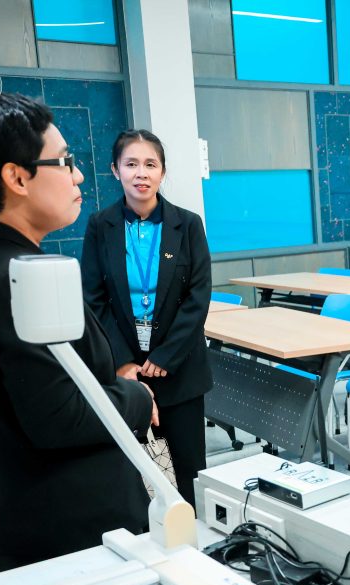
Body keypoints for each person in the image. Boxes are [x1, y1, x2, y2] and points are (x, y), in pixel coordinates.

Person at [0, 93, 158, 580]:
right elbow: (58, 417)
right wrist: (137, 397)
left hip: (30, 516)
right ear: (17, 178)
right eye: (65, 161)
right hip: (60, 539)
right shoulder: (18, 279)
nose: (78, 176)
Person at [81, 130, 212, 507]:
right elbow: (93, 299)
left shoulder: (187, 224)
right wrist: (123, 362)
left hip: (180, 368)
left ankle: (195, 536)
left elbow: (198, 296)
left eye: (150, 164)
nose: (141, 173)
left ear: (162, 172)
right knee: (128, 473)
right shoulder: (100, 225)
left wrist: (166, 356)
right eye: (131, 164)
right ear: (115, 170)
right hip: (126, 372)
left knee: (190, 472)